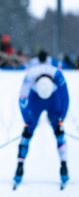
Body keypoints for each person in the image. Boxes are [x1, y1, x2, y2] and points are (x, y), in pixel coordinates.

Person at [14, 50, 70, 184]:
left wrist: (61, 119)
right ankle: (20, 166)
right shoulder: (30, 75)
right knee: (28, 132)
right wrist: (26, 122)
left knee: (59, 131)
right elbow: (22, 99)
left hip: (53, 97)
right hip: (35, 98)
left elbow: (66, 98)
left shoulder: (57, 74)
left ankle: (64, 166)